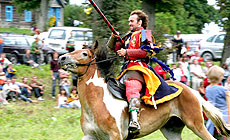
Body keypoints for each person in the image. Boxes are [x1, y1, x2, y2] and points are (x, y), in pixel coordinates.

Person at [107, 10, 182, 133]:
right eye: (129, 21)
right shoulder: (127, 36)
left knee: (132, 87)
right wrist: (113, 37)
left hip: (139, 68)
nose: (129, 24)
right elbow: (112, 49)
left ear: (139, 22)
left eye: (132, 21)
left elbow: (145, 52)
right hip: (126, 69)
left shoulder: (145, 34)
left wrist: (127, 52)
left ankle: (134, 121)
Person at [205, 65, 228, 138]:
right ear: (219, 77)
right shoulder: (222, 89)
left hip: (213, 114)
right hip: (223, 113)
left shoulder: (207, 88)